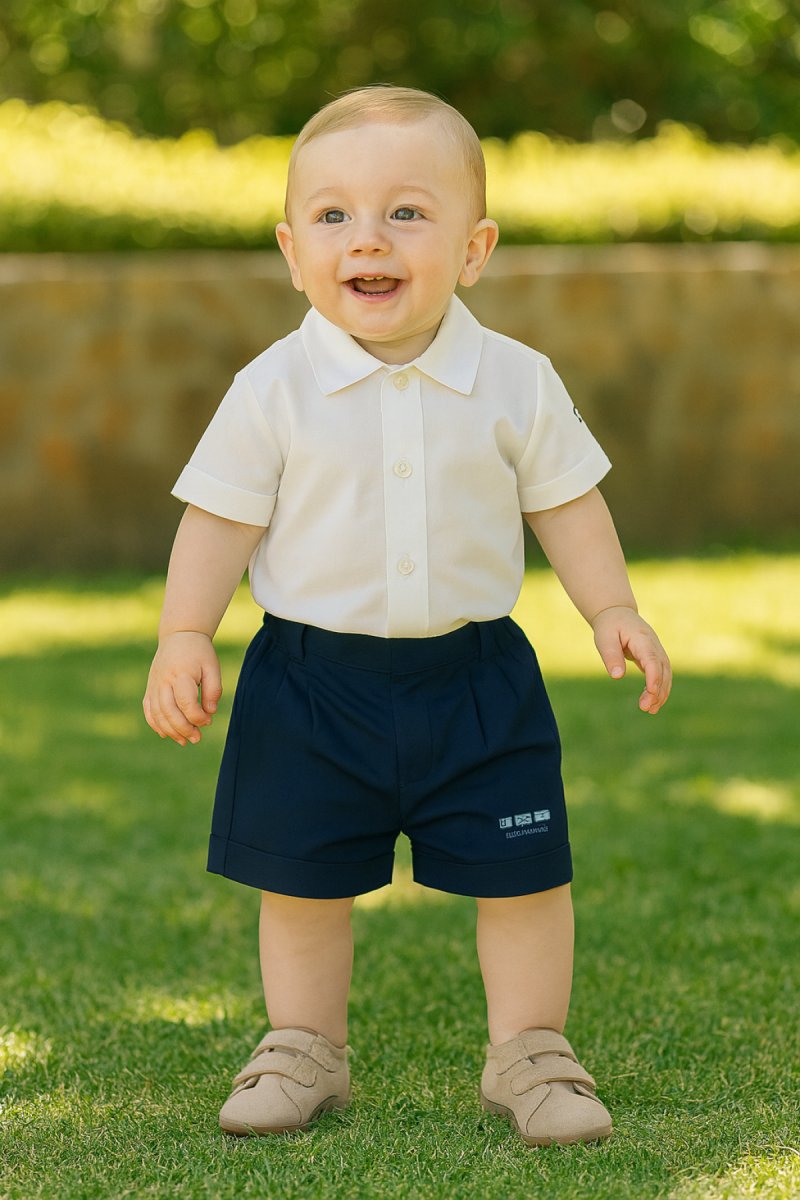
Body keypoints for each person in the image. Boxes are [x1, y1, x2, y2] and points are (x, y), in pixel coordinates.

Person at [143, 84, 671, 1148]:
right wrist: (184, 633)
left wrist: (611, 606)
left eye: (406, 213)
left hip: (477, 682)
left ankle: (530, 1051)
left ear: (473, 250)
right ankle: (303, 1047)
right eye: (333, 215)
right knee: (301, 881)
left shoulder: (515, 380)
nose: (367, 238)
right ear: (293, 251)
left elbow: (567, 503)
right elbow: (218, 519)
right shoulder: (272, 387)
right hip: (307, 686)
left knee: (523, 876)